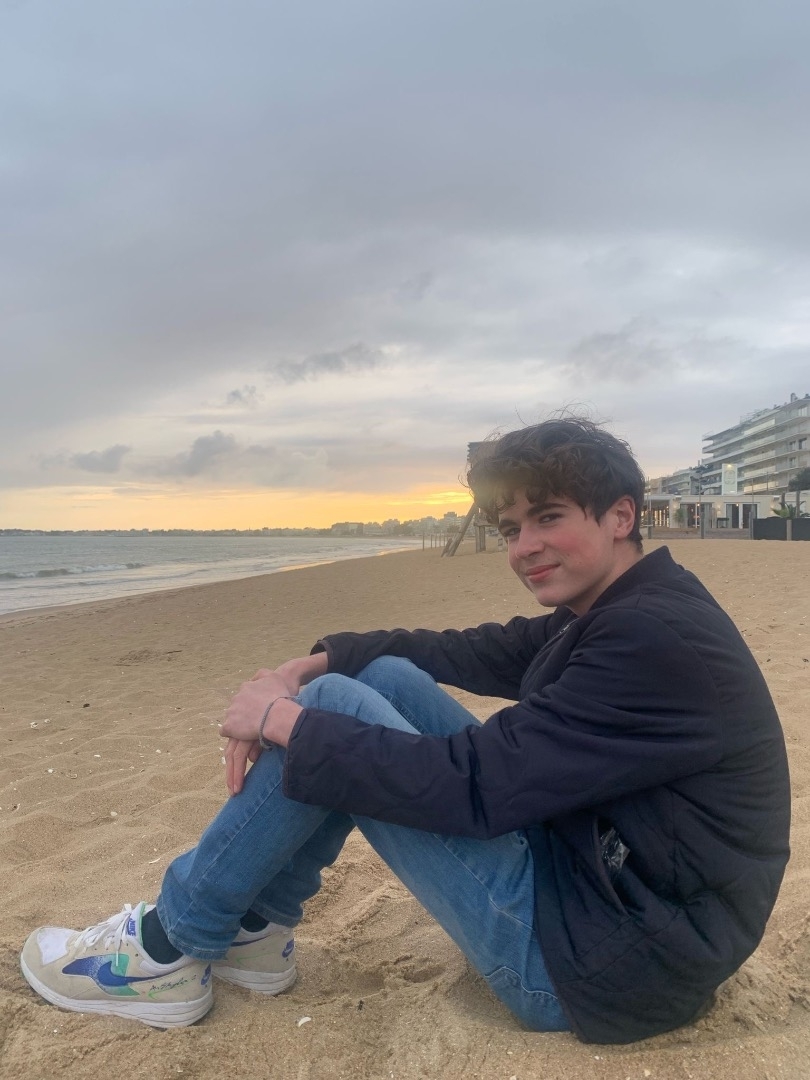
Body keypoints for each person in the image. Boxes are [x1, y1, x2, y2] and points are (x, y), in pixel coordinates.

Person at [20, 418, 790, 1044]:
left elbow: (473, 788)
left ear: (621, 515)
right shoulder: (621, 610)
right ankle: (254, 928)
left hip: (599, 967)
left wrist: (281, 717)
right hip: (607, 899)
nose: (524, 547)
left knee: (330, 715)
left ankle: (168, 946)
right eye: (511, 527)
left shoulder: (650, 640)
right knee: (376, 681)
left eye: (548, 517)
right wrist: (311, 663)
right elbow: (471, 650)